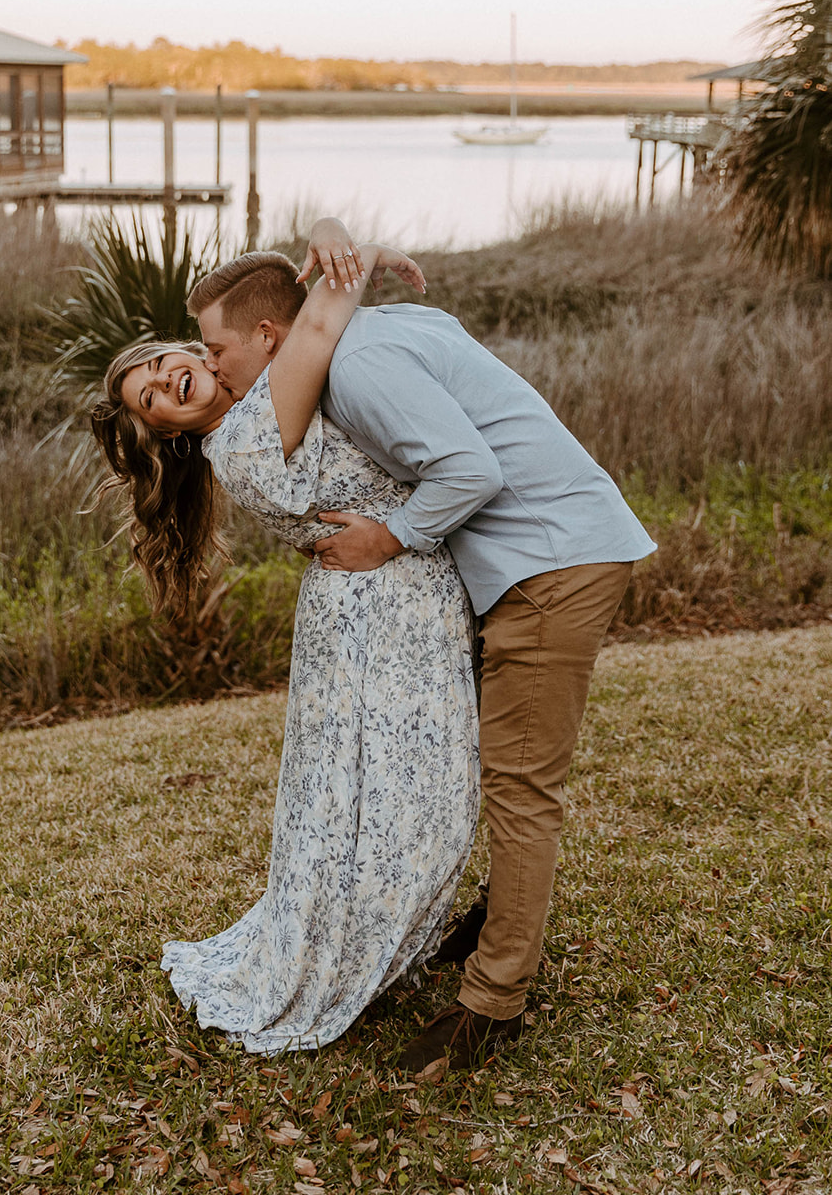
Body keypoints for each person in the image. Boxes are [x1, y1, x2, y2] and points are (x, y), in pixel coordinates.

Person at [188, 218, 657, 1075]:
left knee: (519, 787)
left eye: (214, 347)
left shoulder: (357, 367)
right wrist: (349, 247)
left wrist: (387, 539)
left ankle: (493, 999)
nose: (209, 364)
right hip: (547, 550)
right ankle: (493, 919)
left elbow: (468, 470)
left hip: (549, 562)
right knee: (497, 765)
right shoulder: (382, 330)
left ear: (266, 335)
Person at [89, 233, 481, 1056]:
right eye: (150, 399)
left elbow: (278, 329)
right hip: (385, 603)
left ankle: (376, 938)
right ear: (168, 435)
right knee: (416, 799)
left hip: (364, 602)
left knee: (365, 798)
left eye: (163, 363)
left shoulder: (262, 405)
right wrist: (360, 248)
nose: (164, 381)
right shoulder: (243, 439)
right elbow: (307, 328)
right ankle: (358, 952)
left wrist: (320, 257)